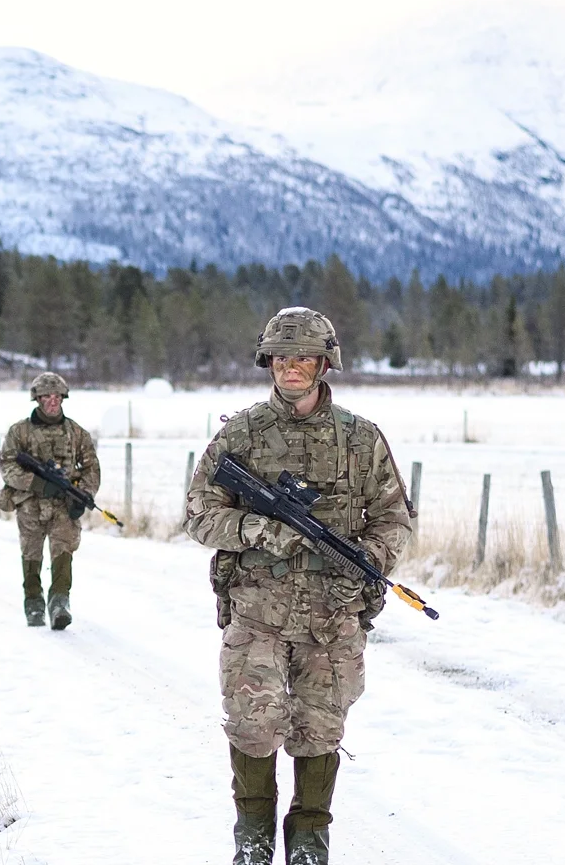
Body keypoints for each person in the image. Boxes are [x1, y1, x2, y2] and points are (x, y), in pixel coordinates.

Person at [184, 308, 413, 865]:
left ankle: (310, 840)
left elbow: (394, 520)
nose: (291, 368)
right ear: (269, 361)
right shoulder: (240, 433)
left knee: (320, 729)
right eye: (282, 358)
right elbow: (199, 514)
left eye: (303, 358)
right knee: (253, 724)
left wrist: (365, 562)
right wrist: (261, 529)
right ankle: (254, 839)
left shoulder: (361, 439)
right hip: (257, 609)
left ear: (324, 364)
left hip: (332, 616)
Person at [0, 371, 100, 629]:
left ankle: (59, 603)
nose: (52, 402)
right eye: (46, 397)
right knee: (31, 552)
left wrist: (83, 495)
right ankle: (33, 602)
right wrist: (37, 483)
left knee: (63, 550)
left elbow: (92, 468)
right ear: (37, 400)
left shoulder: (77, 433)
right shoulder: (19, 432)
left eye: (57, 397)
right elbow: (7, 465)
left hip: (63, 506)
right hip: (30, 504)